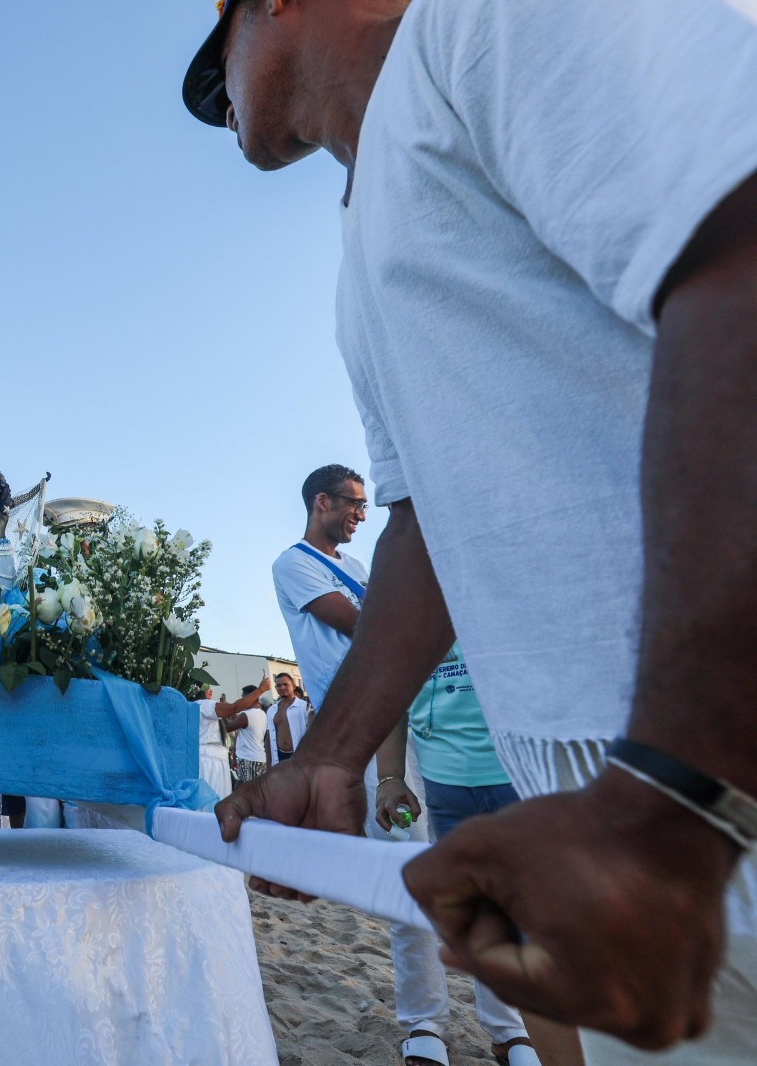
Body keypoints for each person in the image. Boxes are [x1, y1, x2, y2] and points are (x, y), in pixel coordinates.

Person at [186, 1, 757, 1058]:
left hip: (704, 767)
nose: (215, 104)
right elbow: (429, 520)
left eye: (214, 62)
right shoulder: (360, 231)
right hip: (614, 795)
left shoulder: (485, 21)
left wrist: (679, 791)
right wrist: (331, 752)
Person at [264, 464, 531, 1065]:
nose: (363, 514)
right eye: (354, 504)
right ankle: (424, 1026)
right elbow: (369, 628)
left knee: (479, 865)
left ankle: (508, 1025)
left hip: (427, 710)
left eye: (367, 505)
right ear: (321, 502)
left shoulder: (361, 569)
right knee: (408, 866)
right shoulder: (295, 563)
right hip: (365, 725)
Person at [267, 673, 311, 763]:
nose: (282, 687)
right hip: (278, 758)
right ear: (276, 688)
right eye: (279, 685)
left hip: (300, 757)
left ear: (293, 686)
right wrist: (268, 763)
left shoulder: (304, 706)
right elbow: (269, 737)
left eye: (285, 684)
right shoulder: (271, 710)